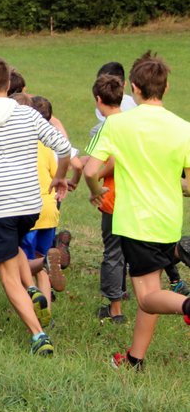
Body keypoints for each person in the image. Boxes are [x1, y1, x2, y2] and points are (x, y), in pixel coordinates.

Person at [83, 52, 190, 370]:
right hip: (169, 221)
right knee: (151, 288)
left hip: (135, 221)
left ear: (134, 88)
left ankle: (187, 305)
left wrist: (96, 192)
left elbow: (90, 170)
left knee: (145, 297)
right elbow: (189, 185)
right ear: (166, 88)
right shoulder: (184, 128)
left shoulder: (116, 124)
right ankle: (134, 358)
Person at [0, 56, 72, 357]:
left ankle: (38, 335)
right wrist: (60, 176)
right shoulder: (28, 114)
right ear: (8, 83)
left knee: (8, 276)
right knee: (15, 248)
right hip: (30, 206)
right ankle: (33, 288)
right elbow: (63, 147)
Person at [71, 74, 127, 323]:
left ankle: (115, 310)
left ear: (98, 99)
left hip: (114, 198)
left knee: (113, 253)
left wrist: (95, 186)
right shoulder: (132, 122)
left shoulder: (107, 127)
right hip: (137, 198)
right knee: (132, 251)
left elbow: (107, 163)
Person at [22, 96, 67, 314]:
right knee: (43, 260)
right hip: (49, 210)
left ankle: (30, 305)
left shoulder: (18, 144)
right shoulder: (46, 146)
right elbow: (56, 174)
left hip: (27, 210)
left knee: (25, 263)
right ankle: (47, 309)